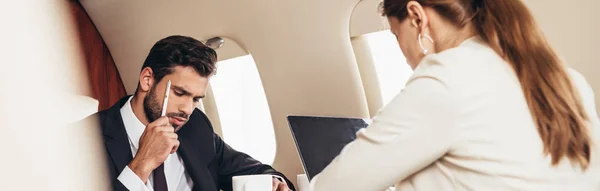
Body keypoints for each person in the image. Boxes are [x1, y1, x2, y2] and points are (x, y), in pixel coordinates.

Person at [311, 0, 600, 190]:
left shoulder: (447, 77)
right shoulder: (568, 82)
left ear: (417, 17)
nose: (404, 56)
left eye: (397, 37)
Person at [87, 35, 295, 191]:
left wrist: (275, 183)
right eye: (179, 93)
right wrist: (142, 163)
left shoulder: (196, 126)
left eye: (195, 99)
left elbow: (258, 171)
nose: (187, 109)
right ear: (147, 80)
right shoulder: (82, 139)